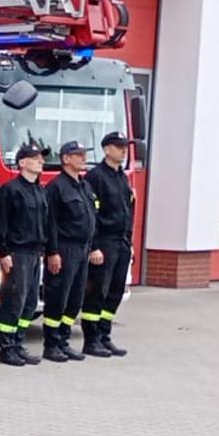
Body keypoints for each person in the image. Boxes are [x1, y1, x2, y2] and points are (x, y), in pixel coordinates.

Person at [42, 141, 102, 362]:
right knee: (58, 297)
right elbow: (51, 223)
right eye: (78, 155)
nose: (83, 158)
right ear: (65, 159)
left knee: (75, 299)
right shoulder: (56, 187)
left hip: (83, 249)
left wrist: (93, 246)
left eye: (84, 154)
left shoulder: (84, 186)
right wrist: (53, 252)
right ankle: (51, 344)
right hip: (65, 249)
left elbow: (91, 219)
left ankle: (63, 341)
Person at [0, 143, 48, 367]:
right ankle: (6, 348)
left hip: (35, 253)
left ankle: (18, 343)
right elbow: (2, 223)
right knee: (14, 301)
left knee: (30, 302)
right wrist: (4, 252)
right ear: (23, 163)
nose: (41, 162)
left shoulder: (39, 190)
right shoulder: (10, 190)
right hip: (17, 253)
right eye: (36, 159)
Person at [83, 132, 135, 358]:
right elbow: (91, 214)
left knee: (114, 292)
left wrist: (130, 242)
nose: (124, 150)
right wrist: (93, 246)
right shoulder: (96, 177)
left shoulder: (122, 177)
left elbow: (128, 210)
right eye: (119, 147)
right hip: (104, 241)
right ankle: (91, 339)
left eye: (125, 147)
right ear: (106, 150)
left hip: (121, 243)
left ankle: (104, 336)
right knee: (97, 292)